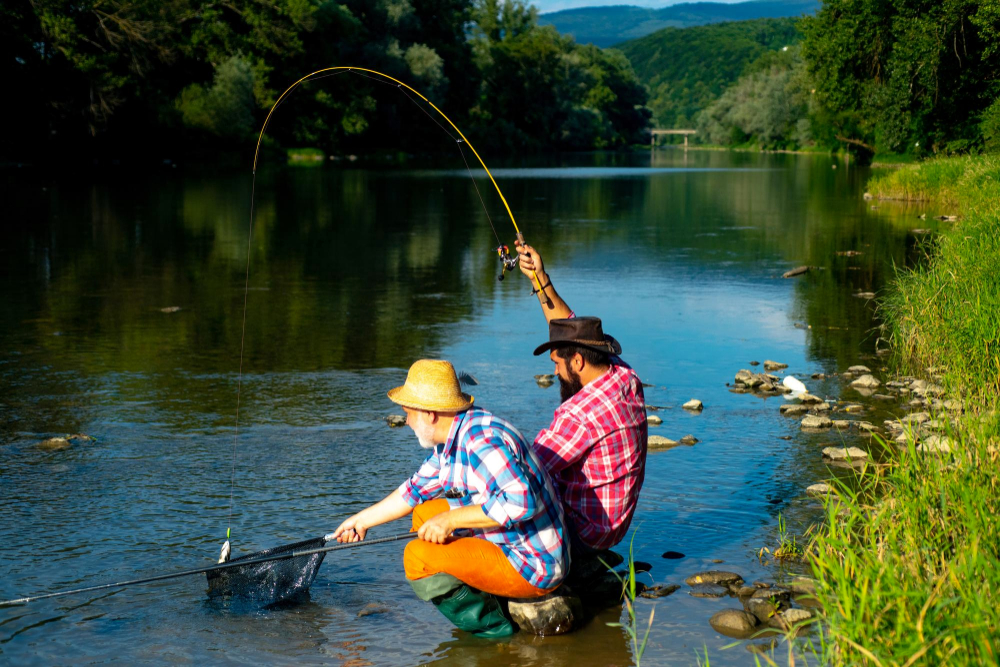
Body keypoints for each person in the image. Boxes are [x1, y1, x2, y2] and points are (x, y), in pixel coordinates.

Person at [330, 359, 567, 637]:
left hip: (533, 564)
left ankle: (495, 630)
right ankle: (485, 591)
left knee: (417, 557)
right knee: (424, 515)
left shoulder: (480, 442)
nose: (406, 421)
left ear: (430, 414)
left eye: (408, 412)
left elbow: (523, 502)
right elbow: (412, 492)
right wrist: (360, 521)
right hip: (507, 540)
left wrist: (451, 519)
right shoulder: (452, 437)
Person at [516, 241, 648, 564]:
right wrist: (539, 278)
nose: (555, 371)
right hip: (615, 526)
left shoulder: (579, 414)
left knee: (508, 498)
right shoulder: (623, 375)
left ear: (577, 362)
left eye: (557, 364)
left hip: (585, 534)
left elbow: (525, 472)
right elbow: (570, 325)